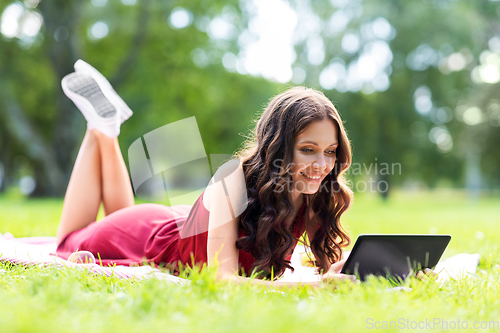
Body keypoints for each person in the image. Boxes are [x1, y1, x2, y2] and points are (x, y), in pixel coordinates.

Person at [55, 60, 356, 287]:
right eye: (307, 149)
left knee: (117, 213)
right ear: (277, 147)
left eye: (330, 151)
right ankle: (102, 130)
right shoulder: (232, 178)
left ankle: (105, 127)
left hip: (172, 225)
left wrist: (352, 275)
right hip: (148, 237)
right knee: (66, 242)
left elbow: (329, 271)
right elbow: (222, 280)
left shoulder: (314, 195)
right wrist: (312, 287)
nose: (322, 164)